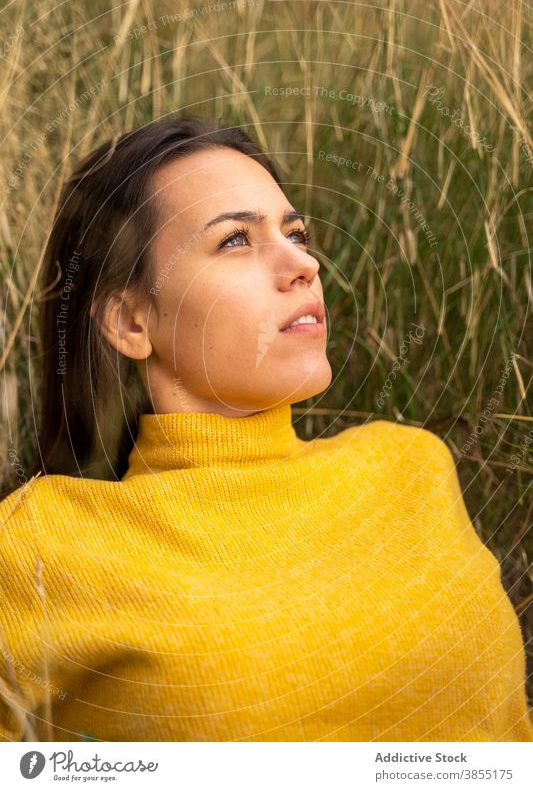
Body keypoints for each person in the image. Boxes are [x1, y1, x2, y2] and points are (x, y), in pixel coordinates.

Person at [1, 114, 531, 743]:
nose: (303, 263)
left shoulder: (411, 467)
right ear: (130, 322)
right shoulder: (45, 539)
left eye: (296, 232)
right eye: (234, 241)